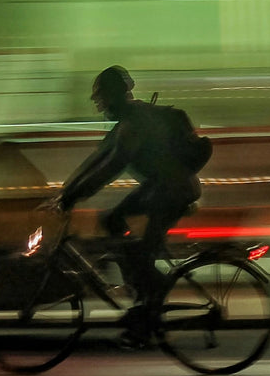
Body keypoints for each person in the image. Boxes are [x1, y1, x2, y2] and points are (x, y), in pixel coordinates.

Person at [44, 65, 203, 345]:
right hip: (159, 188)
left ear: (115, 96)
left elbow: (111, 167)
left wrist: (73, 197)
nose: (100, 106)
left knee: (140, 254)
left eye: (102, 99)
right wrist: (65, 192)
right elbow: (96, 161)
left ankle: (149, 304)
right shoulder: (126, 123)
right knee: (111, 221)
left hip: (173, 192)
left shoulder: (136, 123)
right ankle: (141, 289)